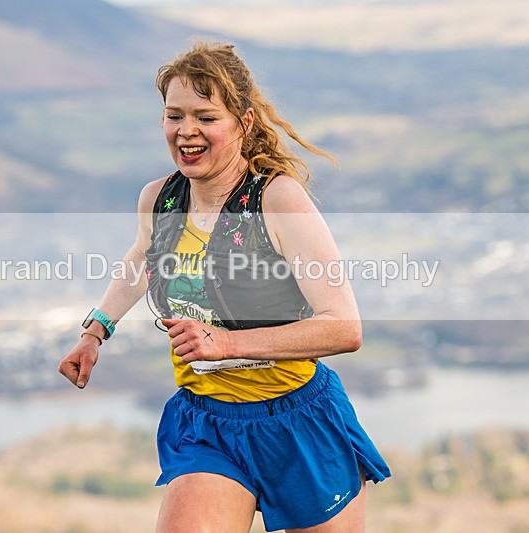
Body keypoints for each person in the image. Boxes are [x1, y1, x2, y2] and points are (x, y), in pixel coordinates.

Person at [59, 41, 391, 533]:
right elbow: (143, 259)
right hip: (208, 423)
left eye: (205, 117)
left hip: (298, 422)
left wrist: (226, 343)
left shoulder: (278, 200)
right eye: (174, 116)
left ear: (245, 122)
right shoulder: (160, 199)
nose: (186, 131)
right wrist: (95, 332)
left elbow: (345, 329)